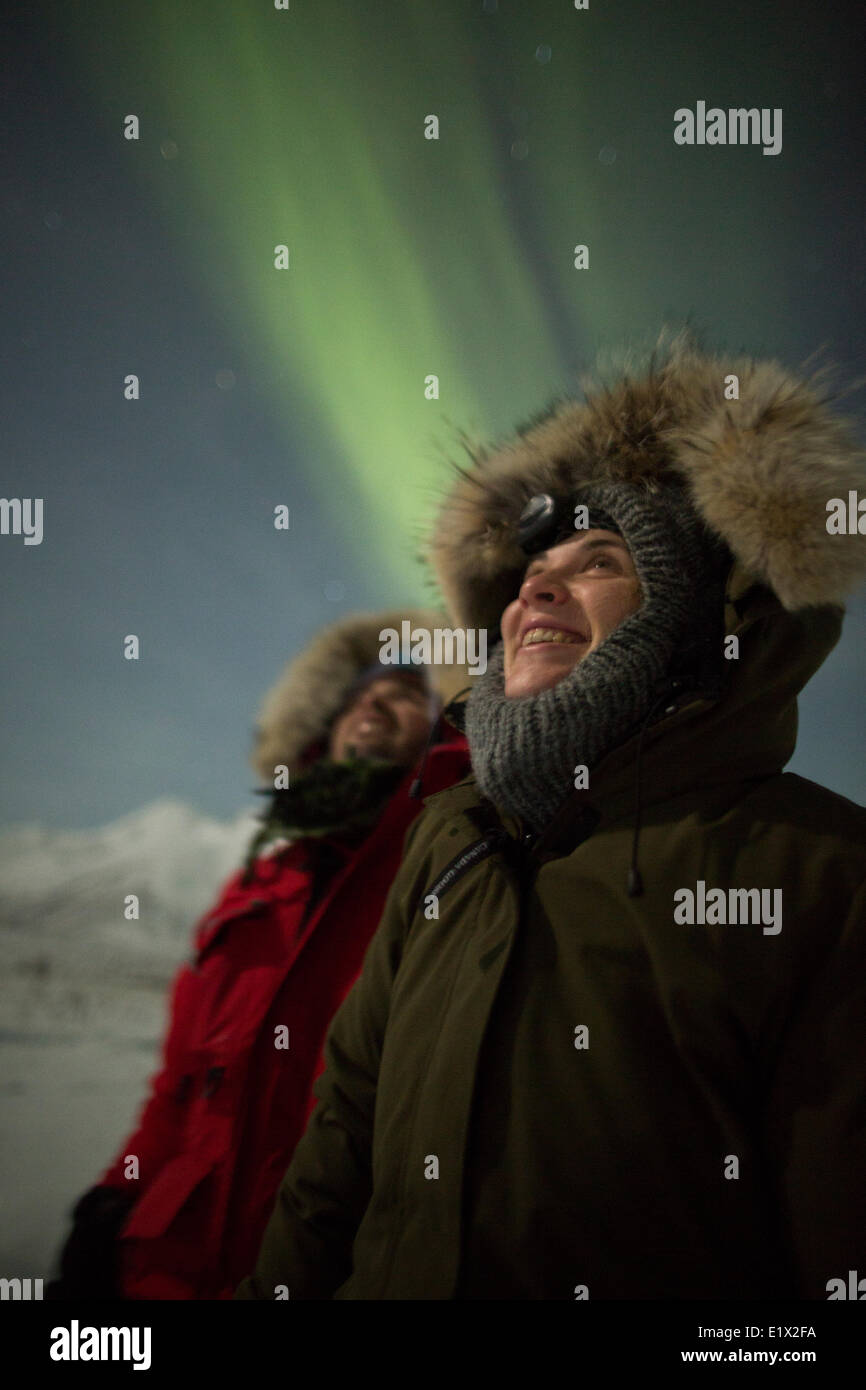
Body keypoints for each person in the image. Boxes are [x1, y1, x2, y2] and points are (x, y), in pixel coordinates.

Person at [237, 333, 866, 1300]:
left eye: (600, 560)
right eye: (534, 566)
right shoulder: (448, 840)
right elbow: (342, 1137)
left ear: (690, 621)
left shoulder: (820, 872)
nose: (538, 584)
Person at [47, 609, 469, 1300]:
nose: (371, 698)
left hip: (332, 1267)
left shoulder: (447, 869)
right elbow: (179, 1091)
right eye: (358, 690)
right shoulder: (254, 890)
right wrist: (116, 1192)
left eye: (401, 689)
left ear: (440, 722)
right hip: (171, 1268)